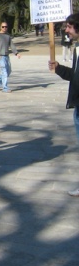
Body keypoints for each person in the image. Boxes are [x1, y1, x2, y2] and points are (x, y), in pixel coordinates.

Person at [49, 13, 79, 197]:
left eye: (69, 26)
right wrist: (59, 68)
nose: (66, 30)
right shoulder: (77, 49)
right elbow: (76, 77)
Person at [0, 21, 21, 93]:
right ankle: (5, 88)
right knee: (4, 72)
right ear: (0, 27)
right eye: (3, 27)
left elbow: (12, 45)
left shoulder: (8, 36)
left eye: (6, 27)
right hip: (0, 56)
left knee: (8, 71)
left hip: (6, 56)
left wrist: (16, 53)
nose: (4, 28)